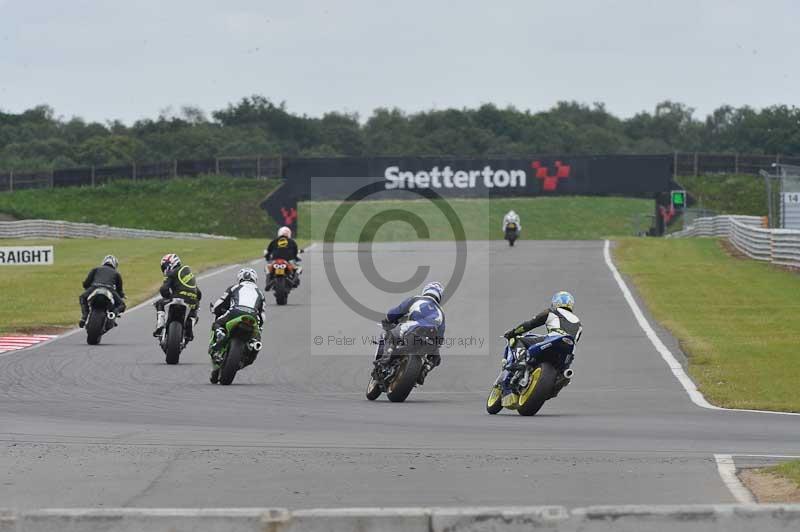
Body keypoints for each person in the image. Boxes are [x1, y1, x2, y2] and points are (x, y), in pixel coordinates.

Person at [499, 291, 582, 407]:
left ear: (556, 302)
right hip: (567, 353)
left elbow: (530, 324)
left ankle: (521, 361)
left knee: (520, 340)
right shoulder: (579, 323)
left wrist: (513, 332)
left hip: (553, 339)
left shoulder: (552, 311)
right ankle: (557, 382)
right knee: (562, 376)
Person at [375, 281, 446, 385]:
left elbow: (397, 311)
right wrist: (435, 346)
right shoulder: (441, 312)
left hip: (414, 328)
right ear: (439, 296)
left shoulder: (416, 299)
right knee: (436, 357)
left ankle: (385, 360)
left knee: (392, 334)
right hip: (430, 338)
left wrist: (388, 319)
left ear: (425, 290)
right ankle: (425, 369)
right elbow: (440, 336)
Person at [208, 267, 267, 383]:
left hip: (235, 312)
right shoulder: (260, 293)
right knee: (256, 338)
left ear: (240, 278)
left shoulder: (234, 287)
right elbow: (263, 314)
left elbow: (219, 303)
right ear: (255, 279)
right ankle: (254, 345)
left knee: (217, 323)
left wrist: (214, 310)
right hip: (253, 317)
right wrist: (259, 327)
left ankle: (220, 334)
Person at [152, 253, 202, 341]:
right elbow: (199, 294)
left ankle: (160, 325)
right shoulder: (189, 274)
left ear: (171, 264)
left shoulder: (171, 273)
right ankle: (190, 323)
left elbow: (164, 290)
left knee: (159, 303)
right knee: (196, 308)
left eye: (165, 266)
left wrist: (168, 296)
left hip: (177, 298)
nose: (164, 269)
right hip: (191, 301)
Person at [78, 255, 126, 327]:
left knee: (82, 297)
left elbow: (86, 283)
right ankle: (112, 314)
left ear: (103, 262)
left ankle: (84, 317)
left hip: (95, 287)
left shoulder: (95, 269)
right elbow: (120, 290)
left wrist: (87, 288)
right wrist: (122, 295)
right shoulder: (116, 273)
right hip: (109, 289)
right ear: (115, 265)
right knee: (122, 305)